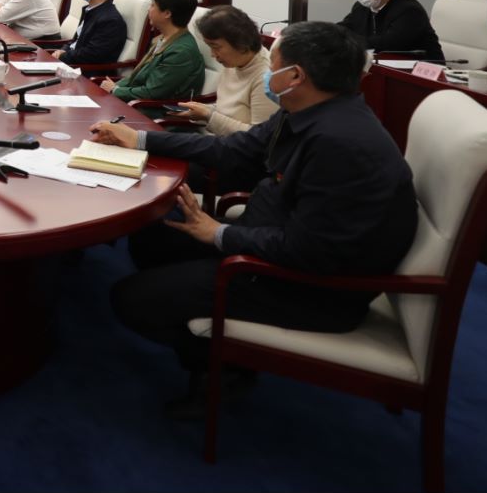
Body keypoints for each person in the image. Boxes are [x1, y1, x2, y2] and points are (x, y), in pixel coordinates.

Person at [96, 21, 418, 416]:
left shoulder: (340, 145)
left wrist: (219, 233)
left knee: (131, 300)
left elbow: (309, 250)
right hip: (267, 240)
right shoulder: (308, 110)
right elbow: (232, 150)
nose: (268, 72)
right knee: (152, 236)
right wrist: (140, 139)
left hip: (307, 286)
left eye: (274, 65)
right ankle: (200, 316)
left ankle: (227, 368)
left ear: (295, 76)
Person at [172, 6, 274, 136]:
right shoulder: (235, 62)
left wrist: (208, 115)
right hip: (215, 139)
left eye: (216, 47)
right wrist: (202, 111)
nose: (212, 55)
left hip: (234, 146)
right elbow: (227, 110)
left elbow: (258, 137)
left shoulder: (265, 78)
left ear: (240, 42)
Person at [102, 0, 205, 102]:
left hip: (151, 109)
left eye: (152, 5)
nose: (148, 10)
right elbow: (137, 78)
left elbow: (152, 92)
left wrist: (116, 90)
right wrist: (116, 86)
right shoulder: (164, 38)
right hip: (136, 102)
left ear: (167, 13)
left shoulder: (181, 51)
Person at [338, 0, 444, 61]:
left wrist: (348, 41)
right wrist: (331, 35)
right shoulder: (362, 7)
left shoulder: (410, 10)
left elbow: (388, 43)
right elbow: (344, 28)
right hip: (379, 64)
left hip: (421, 68)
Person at [51, 0, 126, 65]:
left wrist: (63, 56)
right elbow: (76, 41)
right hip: (72, 62)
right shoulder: (90, 9)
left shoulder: (110, 20)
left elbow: (92, 54)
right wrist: (62, 50)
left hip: (85, 70)